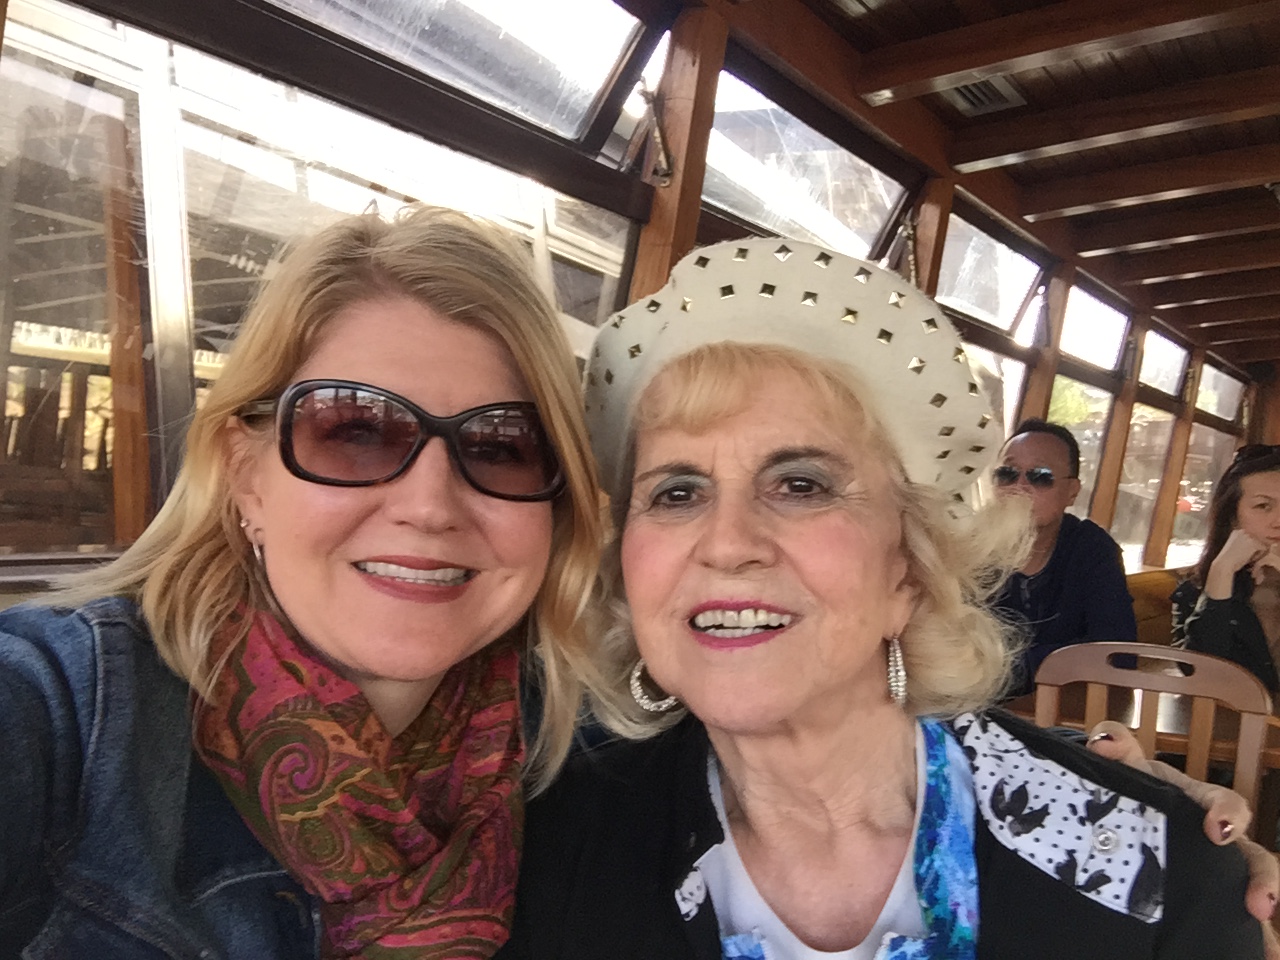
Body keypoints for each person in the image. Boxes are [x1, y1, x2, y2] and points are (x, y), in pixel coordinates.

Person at [501, 240, 1263, 959]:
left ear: (910, 569)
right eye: (676, 492)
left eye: (800, 484)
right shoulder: (547, 849)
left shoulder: (1160, 875)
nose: (727, 543)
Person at [0, 206, 605, 956]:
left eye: (500, 447)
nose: (429, 507)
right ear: (245, 477)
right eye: (355, 432)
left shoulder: (583, 765)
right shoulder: (65, 713)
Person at [991, 419, 1137, 695]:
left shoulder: (1092, 549)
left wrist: (1003, 668)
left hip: (1064, 712)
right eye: (1007, 473)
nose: (1019, 486)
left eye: (1040, 476)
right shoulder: (968, 550)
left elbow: (1118, 654)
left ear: (1072, 492)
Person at [1173, 444, 1280, 693]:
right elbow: (1199, 674)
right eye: (1263, 506)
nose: (1278, 521)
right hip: (1233, 717)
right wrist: (1221, 571)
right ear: (1233, 517)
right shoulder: (1195, 590)